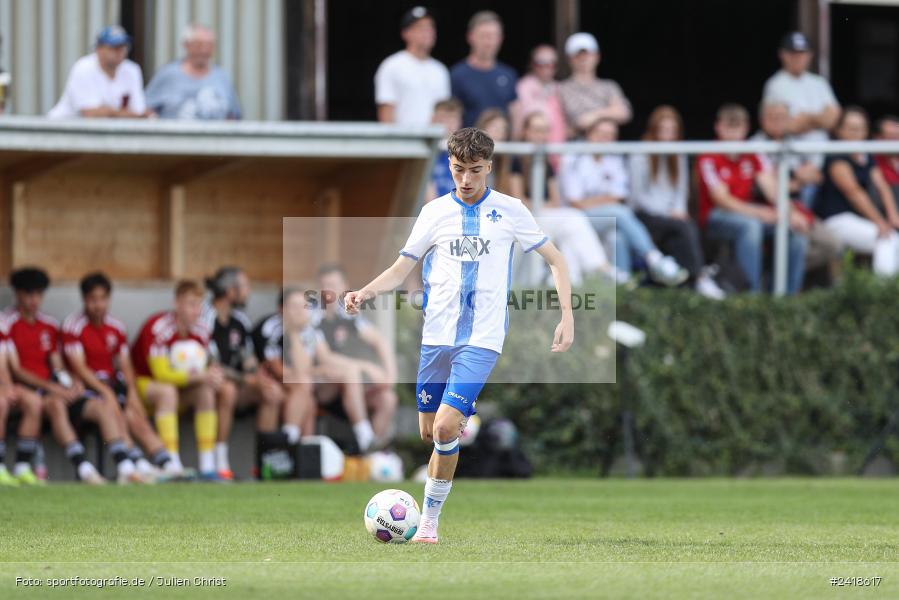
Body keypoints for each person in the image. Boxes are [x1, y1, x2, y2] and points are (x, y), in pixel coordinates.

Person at [344, 127, 574, 543]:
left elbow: (556, 260)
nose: (465, 179)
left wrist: (567, 316)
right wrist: (364, 291)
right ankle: (449, 445)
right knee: (430, 432)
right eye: (457, 170)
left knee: (448, 429)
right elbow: (402, 267)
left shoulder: (509, 210)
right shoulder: (434, 211)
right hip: (436, 337)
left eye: (474, 170)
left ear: (489, 167)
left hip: (483, 339)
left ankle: (428, 525)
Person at [4, 268, 132, 484]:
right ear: (17, 294)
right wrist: (53, 387)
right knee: (55, 405)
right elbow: (16, 369)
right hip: (27, 391)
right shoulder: (7, 321)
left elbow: (57, 364)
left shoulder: (50, 324)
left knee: (100, 406)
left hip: (51, 388)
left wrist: (70, 382)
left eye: (38, 294)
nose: (33, 300)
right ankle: (83, 468)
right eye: (28, 294)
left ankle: (125, 467)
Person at [62, 273, 175, 482]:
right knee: (111, 409)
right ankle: (131, 464)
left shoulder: (117, 327)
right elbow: (79, 368)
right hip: (84, 391)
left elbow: (125, 365)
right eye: (93, 299)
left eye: (103, 299)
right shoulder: (73, 326)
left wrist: (132, 394)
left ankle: (168, 464)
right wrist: (106, 392)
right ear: (84, 299)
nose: (99, 305)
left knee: (134, 414)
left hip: (112, 388)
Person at [559, 117, 688, 286]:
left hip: (603, 217)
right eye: (601, 134)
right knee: (620, 212)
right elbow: (576, 202)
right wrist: (607, 201)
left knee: (617, 236)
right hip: (575, 220)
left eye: (610, 136)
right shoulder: (572, 157)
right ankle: (654, 258)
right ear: (589, 135)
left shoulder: (614, 158)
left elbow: (619, 196)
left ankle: (622, 287)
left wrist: (599, 201)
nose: (605, 140)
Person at [698, 104, 809, 294]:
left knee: (794, 233)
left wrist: (791, 213)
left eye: (737, 127)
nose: (733, 133)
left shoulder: (753, 152)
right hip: (716, 217)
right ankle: (751, 297)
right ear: (718, 127)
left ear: (746, 128)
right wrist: (759, 213)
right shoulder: (709, 155)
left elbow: (772, 189)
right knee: (751, 227)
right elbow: (722, 200)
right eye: (728, 126)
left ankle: (787, 298)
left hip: (749, 213)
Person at [508, 110, 619, 286]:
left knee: (569, 231)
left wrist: (542, 205)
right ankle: (599, 268)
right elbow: (518, 200)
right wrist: (542, 205)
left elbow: (556, 200)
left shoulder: (547, 160)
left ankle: (569, 280)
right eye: (537, 130)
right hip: (525, 217)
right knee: (573, 219)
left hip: (544, 214)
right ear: (525, 132)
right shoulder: (516, 160)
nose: (541, 135)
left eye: (545, 130)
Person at [629, 106, 725, 298]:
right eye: (663, 129)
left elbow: (681, 189)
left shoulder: (678, 152)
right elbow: (637, 196)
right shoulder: (640, 153)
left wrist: (679, 209)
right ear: (654, 129)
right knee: (682, 227)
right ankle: (698, 278)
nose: (668, 135)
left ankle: (684, 286)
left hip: (669, 214)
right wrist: (668, 213)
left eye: (672, 130)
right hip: (644, 213)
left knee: (684, 227)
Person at [131, 280, 223, 480]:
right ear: (176, 304)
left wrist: (214, 374)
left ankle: (207, 467)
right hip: (143, 388)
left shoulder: (202, 330)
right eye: (191, 304)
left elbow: (209, 364)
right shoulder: (158, 327)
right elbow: (161, 374)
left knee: (206, 391)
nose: (196, 311)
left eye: (199, 305)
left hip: (181, 388)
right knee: (167, 391)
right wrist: (201, 376)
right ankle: (171, 464)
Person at [751, 100, 841, 274]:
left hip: (800, 207)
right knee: (795, 243)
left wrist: (789, 182)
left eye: (782, 117)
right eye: (773, 117)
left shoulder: (797, 141)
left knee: (832, 243)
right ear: (762, 120)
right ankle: (776, 277)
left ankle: (777, 273)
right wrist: (796, 181)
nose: (778, 121)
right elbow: (768, 188)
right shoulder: (755, 145)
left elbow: (817, 176)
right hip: (768, 208)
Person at [317, 265, 398, 448]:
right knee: (351, 371)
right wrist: (366, 367)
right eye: (326, 285)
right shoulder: (315, 318)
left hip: (354, 390)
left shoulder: (349, 317)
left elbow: (380, 341)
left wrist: (390, 377)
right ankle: (363, 433)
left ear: (345, 286)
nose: (330, 290)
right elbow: (325, 357)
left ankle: (369, 451)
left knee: (388, 398)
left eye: (334, 284)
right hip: (324, 387)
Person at [815, 107, 899, 276]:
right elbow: (853, 193)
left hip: (858, 219)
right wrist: (880, 222)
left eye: (860, 129)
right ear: (839, 130)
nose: (856, 133)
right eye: (851, 128)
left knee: (892, 239)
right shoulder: (836, 156)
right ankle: (883, 295)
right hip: (836, 219)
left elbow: (882, 186)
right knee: (888, 240)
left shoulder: (865, 155)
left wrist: (893, 217)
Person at [761, 31, 840, 167]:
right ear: (782, 55)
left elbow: (833, 118)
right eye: (792, 53)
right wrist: (818, 119)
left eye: (802, 53)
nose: (797, 58)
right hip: (792, 158)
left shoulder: (819, 82)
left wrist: (806, 119)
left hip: (822, 155)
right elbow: (775, 126)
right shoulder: (775, 84)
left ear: (810, 55)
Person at [48, 25, 149, 119]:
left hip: (103, 134)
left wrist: (138, 115)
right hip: (62, 131)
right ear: (99, 49)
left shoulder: (132, 70)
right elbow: (91, 113)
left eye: (123, 47)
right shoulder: (83, 67)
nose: (119, 52)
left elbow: (139, 111)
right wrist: (126, 114)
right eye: (114, 47)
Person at [144, 23, 241, 120]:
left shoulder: (222, 77)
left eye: (209, 45)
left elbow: (233, 116)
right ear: (186, 45)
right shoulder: (168, 74)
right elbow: (146, 110)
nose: (204, 50)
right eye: (199, 45)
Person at [374, 6, 450, 127]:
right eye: (420, 27)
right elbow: (386, 112)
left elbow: (446, 113)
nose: (427, 32)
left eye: (430, 27)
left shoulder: (440, 70)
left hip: (434, 141)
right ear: (405, 33)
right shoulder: (391, 66)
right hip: (404, 141)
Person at [450, 11, 517, 127]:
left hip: (502, 144)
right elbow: (452, 117)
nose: (488, 42)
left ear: (500, 39)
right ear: (470, 37)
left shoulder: (508, 75)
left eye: (493, 36)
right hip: (470, 143)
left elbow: (515, 114)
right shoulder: (457, 75)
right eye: (484, 36)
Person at [558, 32, 631, 136]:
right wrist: (578, 126)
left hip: (607, 147)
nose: (583, 59)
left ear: (597, 57)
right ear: (569, 59)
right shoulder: (561, 88)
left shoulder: (609, 86)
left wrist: (594, 116)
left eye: (587, 54)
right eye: (578, 55)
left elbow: (624, 113)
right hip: (574, 147)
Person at [0, 313, 44, 486]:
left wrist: (8, 386)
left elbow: (8, 364)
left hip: (3, 384)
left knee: (33, 401)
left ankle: (22, 467)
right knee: (1, 403)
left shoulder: (2, 322)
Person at [513, 45, 567, 169]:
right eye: (540, 63)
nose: (545, 68)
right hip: (531, 152)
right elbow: (526, 118)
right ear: (533, 64)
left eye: (551, 64)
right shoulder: (523, 86)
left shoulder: (560, 88)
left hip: (557, 154)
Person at [428, 98, 464, 199]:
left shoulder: (467, 155)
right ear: (432, 120)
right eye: (442, 119)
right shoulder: (424, 152)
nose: (446, 124)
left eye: (451, 119)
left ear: (459, 123)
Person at [874, 114, 899, 202]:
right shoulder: (872, 161)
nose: (896, 142)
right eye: (891, 136)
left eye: (898, 136)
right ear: (878, 138)